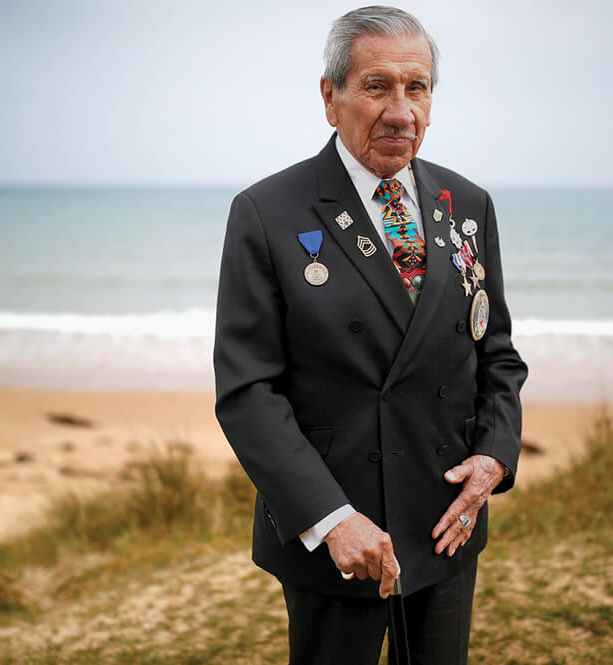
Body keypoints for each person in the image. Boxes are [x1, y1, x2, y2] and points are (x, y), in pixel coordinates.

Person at [213, 6, 527, 664]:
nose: (400, 111)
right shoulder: (266, 213)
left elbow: (496, 355)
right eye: (377, 86)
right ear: (330, 98)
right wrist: (329, 517)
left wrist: (494, 458)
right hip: (338, 536)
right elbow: (248, 390)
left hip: (446, 526)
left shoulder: (465, 206)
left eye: (416, 88)